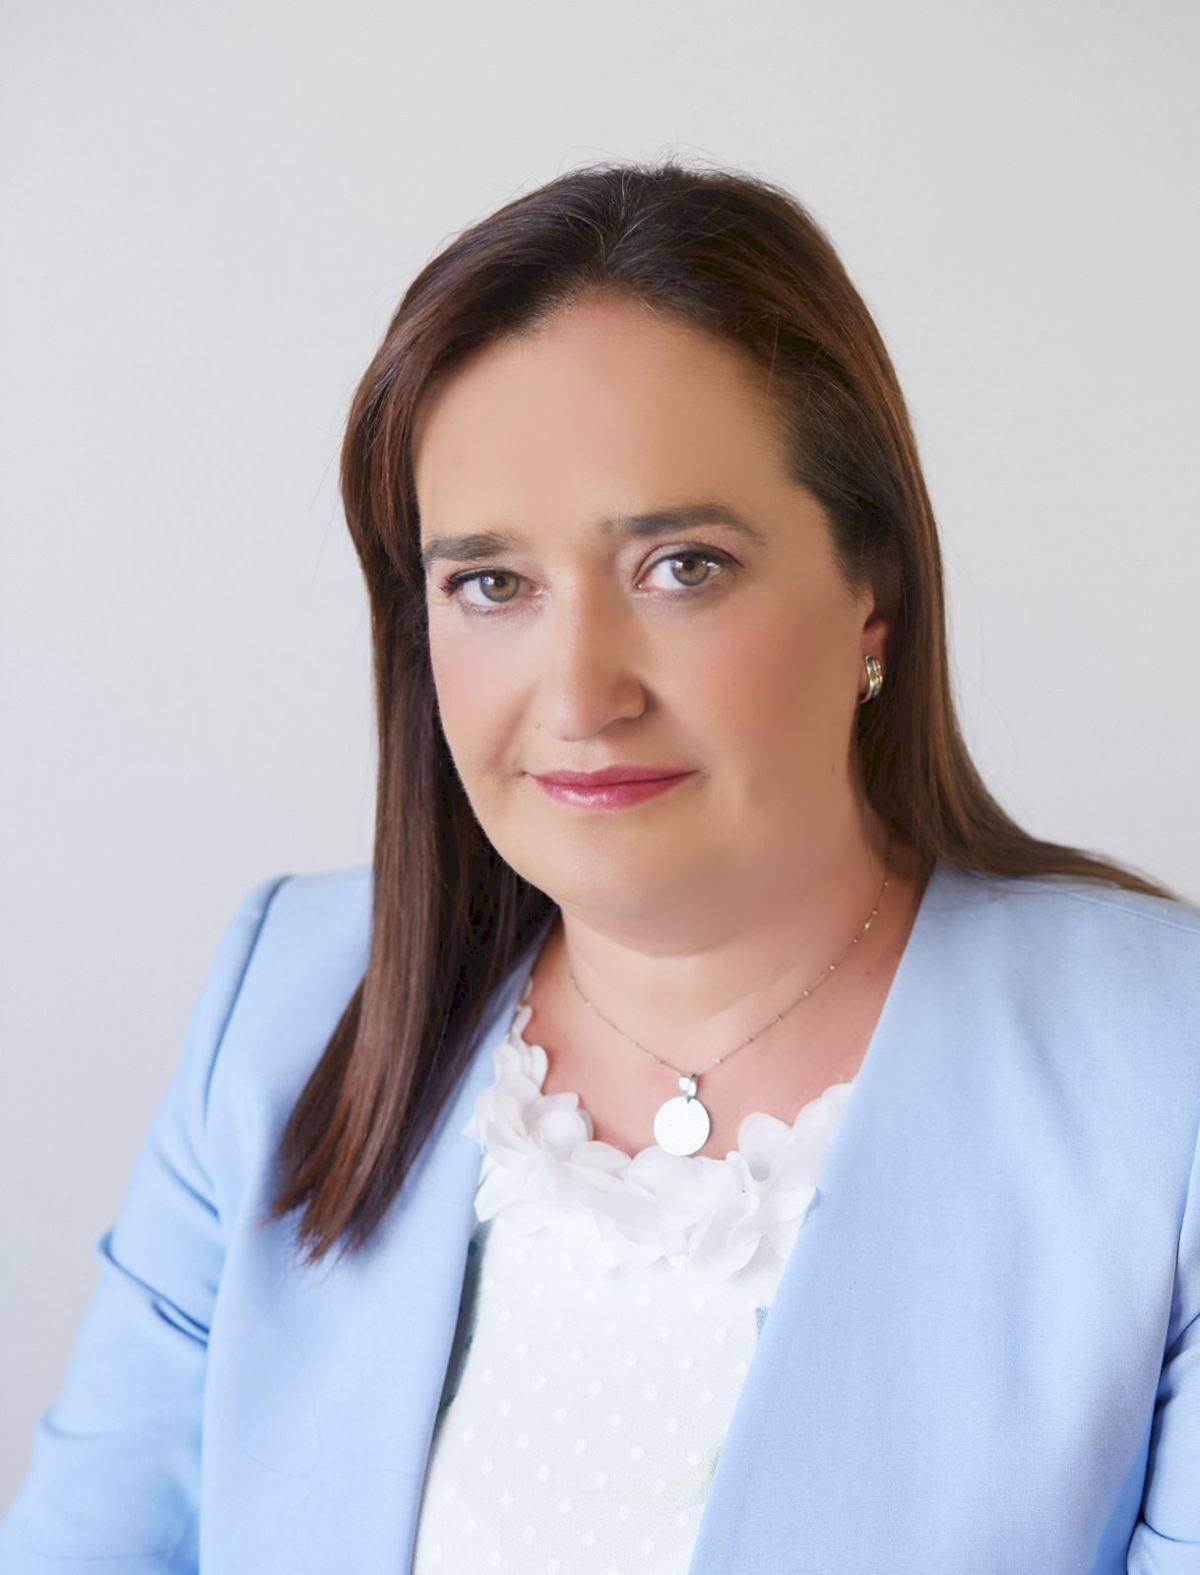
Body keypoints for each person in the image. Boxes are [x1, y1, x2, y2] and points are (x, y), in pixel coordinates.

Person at [2, 158, 1198, 1575]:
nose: (580, 695)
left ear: (870, 589)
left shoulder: (1162, 1074)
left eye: (682, 566)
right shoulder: (288, 1001)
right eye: (490, 584)